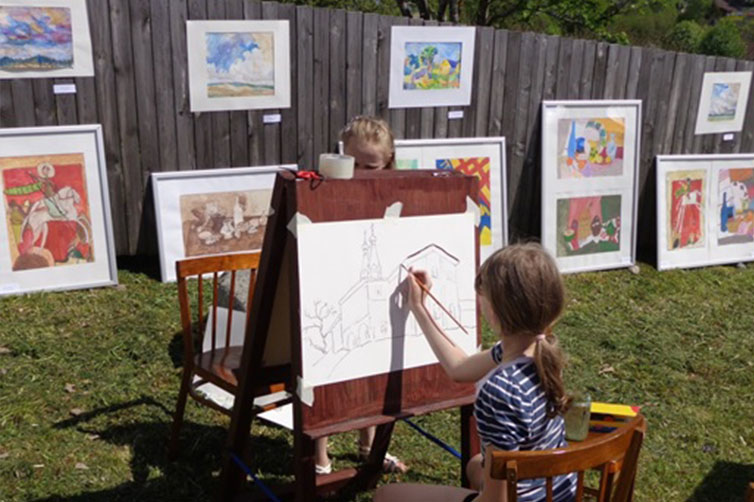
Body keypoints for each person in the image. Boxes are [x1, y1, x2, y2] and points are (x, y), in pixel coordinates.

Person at [405, 243, 576, 502]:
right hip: (554, 492)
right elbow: (459, 368)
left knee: (387, 494)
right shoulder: (542, 352)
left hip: (517, 497)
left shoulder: (500, 391)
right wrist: (419, 307)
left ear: (494, 311)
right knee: (474, 465)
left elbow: (496, 501)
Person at [313, 115, 406, 476]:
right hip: (331, 282)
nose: (362, 173)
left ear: (388, 162)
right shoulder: (325, 187)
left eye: (372, 167)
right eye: (354, 164)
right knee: (324, 367)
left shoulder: (397, 192)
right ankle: (319, 454)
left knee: (373, 367)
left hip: (375, 286)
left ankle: (369, 444)